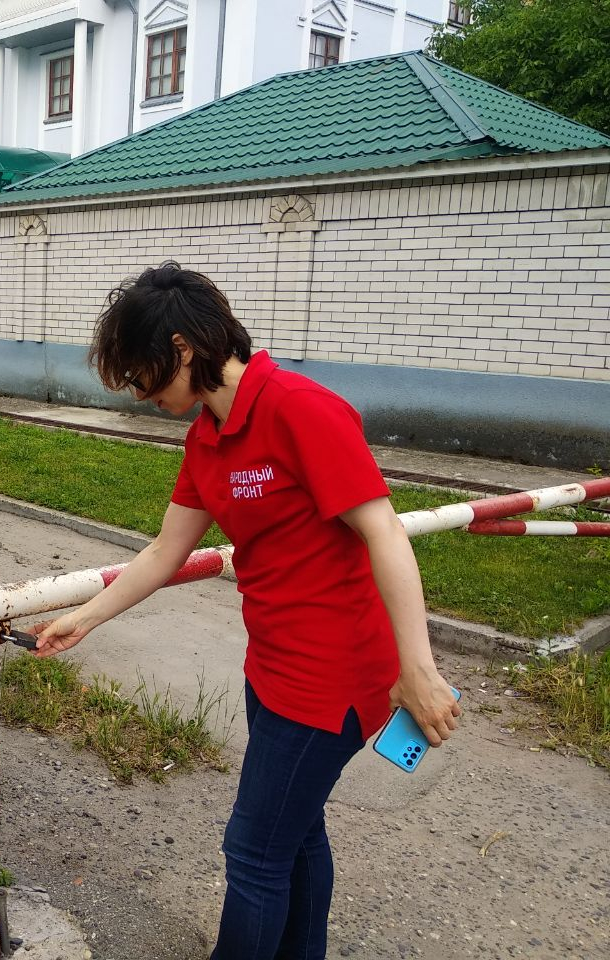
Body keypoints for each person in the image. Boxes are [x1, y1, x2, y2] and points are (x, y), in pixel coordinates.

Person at [32, 264, 461, 960]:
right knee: (297, 833)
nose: (143, 395)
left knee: (255, 852)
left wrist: (418, 670)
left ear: (182, 348)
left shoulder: (300, 408)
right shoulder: (208, 435)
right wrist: (87, 615)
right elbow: (166, 552)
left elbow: (384, 532)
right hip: (271, 668)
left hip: (331, 681)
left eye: (144, 376)